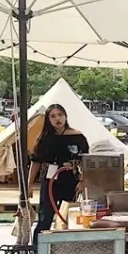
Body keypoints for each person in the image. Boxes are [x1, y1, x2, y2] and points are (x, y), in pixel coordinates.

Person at [27, 104, 89, 244]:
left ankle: (68, 248)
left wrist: (83, 180)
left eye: (60, 115)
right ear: (48, 119)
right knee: (45, 217)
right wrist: (29, 184)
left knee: (69, 217)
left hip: (70, 180)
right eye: (53, 116)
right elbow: (36, 162)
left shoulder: (78, 136)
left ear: (65, 116)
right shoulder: (45, 138)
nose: (57, 119)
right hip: (50, 181)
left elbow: (85, 160)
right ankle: (38, 251)